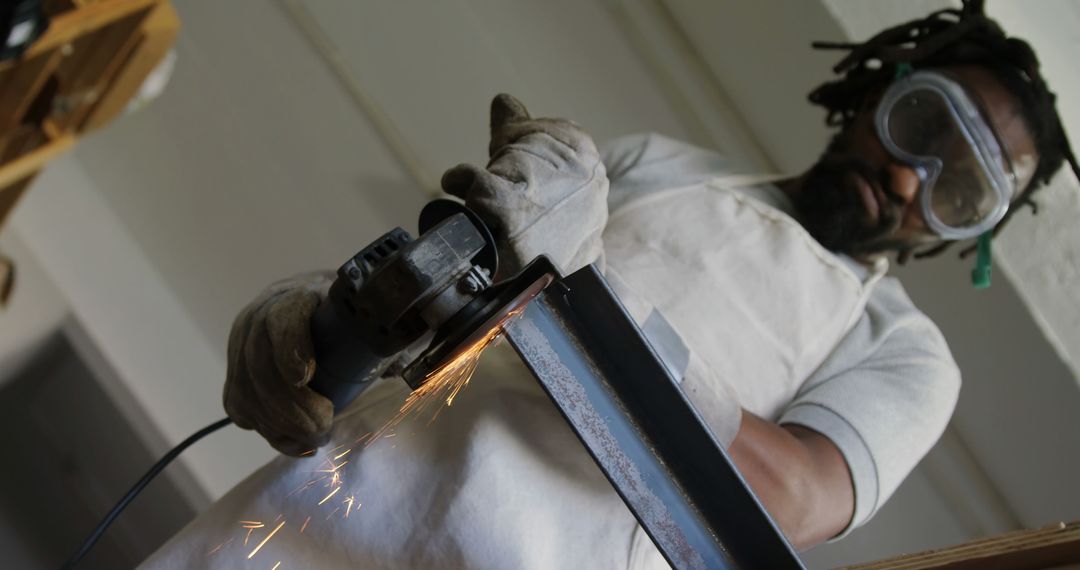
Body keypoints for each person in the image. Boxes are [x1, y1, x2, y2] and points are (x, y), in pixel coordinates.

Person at [143, 1, 1078, 568]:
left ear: (971, 235)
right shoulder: (658, 162)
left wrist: (582, 289)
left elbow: (789, 497)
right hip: (334, 510)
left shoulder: (904, 350)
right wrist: (315, 326)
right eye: (922, 124)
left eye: (960, 187)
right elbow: (446, 298)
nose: (913, 178)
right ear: (879, 87)